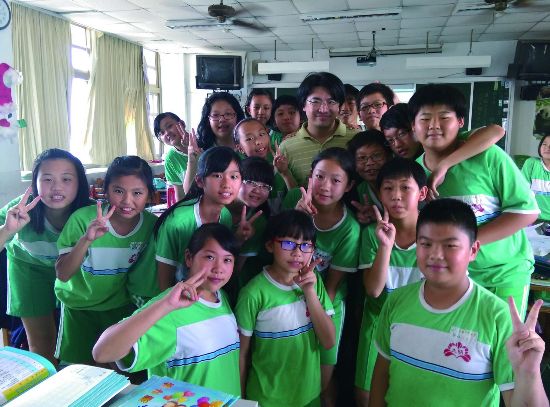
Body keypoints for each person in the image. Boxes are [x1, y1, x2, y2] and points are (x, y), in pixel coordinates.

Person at [370, 198, 548, 407]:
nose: (436, 255)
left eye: (450, 245)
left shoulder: (497, 316)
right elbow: (381, 375)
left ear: (473, 250)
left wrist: (530, 373)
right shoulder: (396, 301)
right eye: (426, 244)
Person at [410, 84, 539, 316]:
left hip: (503, 273)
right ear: (413, 126)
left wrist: (467, 242)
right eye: (425, 119)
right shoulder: (415, 174)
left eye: (444, 118)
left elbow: (526, 212)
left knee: (506, 337)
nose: (434, 125)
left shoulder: (489, 156)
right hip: (450, 277)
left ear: (460, 122)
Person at [93, 223, 241, 396]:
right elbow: (102, 352)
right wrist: (165, 305)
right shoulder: (169, 308)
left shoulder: (221, 297)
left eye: (227, 260)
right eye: (209, 257)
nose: (218, 269)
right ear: (189, 258)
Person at [55, 156, 158, 365]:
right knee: (78, 371)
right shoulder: (83, 219)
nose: (127, 201)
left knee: (120, 370)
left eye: (137, 193)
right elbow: (63, 274)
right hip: (79, 307)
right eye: (118, 191)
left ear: (149, 194)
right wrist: (86, 239)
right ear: (106, 190)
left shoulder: (152, 225)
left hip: (121, 307)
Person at [283, 147, 360, 406]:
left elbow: (332, 287)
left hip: (327, 301)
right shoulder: (294, 199)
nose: (325, 186)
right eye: (319, 176)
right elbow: (277, 250)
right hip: (288, 297)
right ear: (310, 176)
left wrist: (315, 313)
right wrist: (298, 219)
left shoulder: (349, 228)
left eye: (336, 180)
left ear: (349, 186)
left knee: (322, 381)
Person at [236, 209, 335, 407]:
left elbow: (329, 341)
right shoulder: (253, 293)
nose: (297, 253)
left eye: (306, 245)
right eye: (288, 243)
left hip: (309, 395)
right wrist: (241, 400)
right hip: (267, 399)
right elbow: (242, 354)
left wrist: (309, 291)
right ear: (270, 245)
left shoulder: (314, 283)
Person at [0, 149, 90, 365]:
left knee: (82, 340)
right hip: (28, 272)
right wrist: (7, 230)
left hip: (74, 274)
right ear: (34, 183)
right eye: (47, 179)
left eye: (66, 179)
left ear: (79, 183)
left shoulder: (90, 213)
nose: (56, 187)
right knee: (42, 342)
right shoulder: (20, 209)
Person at [354, 158, 428, 406]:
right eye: (388, 188)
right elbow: (374, 290)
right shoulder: (372, 234)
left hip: (421, 326)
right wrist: (385, 246)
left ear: (422, 193)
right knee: (366, 396)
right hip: (378, 324)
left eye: (405, 187)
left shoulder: (434, 235)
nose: (396, 196)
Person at [154, 147, 253, 290]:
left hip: (198, 292)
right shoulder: (178, 221)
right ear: (200, 181)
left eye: (234, 177)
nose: (226, 184)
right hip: (162, 295)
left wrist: (238, 239)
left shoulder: (225, 215)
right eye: (217, 175)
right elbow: (164, 279)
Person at [279, 72, 358, 187]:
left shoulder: (356, 139)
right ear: (303, 105)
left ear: (339, 106)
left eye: (331, 102)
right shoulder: (287, 147)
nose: (323, 109)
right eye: (315, 101)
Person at [233, 117, 296, 209]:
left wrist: (285, 172)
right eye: (249, 139)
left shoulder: (282, 158)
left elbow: (296, 196)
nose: (258, 141)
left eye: (262, 134)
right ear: (240, 148)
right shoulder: (238, 170)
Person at [347, 130, 394, 224]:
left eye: (376, 155)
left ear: (389, 157)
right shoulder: (359, 191)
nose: (370, 163)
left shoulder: (403, 184)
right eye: (362, 158)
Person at [153, 112, 193, 200]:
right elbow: (180, 195)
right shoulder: (171, 159)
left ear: (182, 124)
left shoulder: (204, 142)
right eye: (162, 133)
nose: (167, 133)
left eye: (169, 126)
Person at [521, 134, 550, 221]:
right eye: (544, 144)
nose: (547, 148)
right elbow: (522, 191)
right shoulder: (531, 163)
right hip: (533, 219)